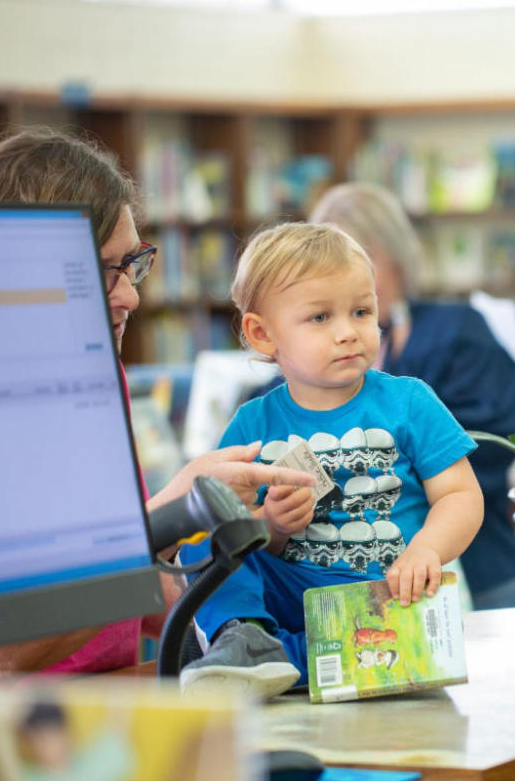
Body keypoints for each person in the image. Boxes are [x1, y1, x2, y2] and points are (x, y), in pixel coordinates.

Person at [0, 128, 316, 679]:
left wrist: (258, 616)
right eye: (102, 272)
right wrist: (176, 511)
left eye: (133, 264)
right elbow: (1, 656)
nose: (130, 294)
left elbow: (140, 596)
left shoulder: (101, 379)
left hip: (115, 698)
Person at [178, 222, 484, 697]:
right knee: (203, 535)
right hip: (289, 594)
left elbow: (461, 495)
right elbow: (242, 538)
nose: (347, 333)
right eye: (320, 317)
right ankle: (248, 639)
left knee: (398, 637)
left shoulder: (409, 401)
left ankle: (277, 661)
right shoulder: (251, 424)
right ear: (262, 334)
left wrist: (427, 550)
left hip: (387, 594)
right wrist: (272, 526)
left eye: (361, 311)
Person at [307, 183, 515, 609]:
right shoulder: (312, 362)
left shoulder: (457, 330)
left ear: (395, 255)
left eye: (361, 257)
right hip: (349, 589)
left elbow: (485, 443)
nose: (343, 276)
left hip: (473, 570)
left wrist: (371, 475)